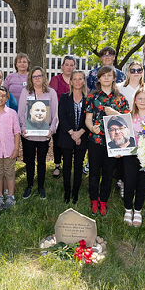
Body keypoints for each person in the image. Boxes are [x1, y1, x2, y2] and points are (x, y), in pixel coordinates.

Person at [84, 65, 130, 216]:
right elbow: (88, 119)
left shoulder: (121, 98)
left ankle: (103, 201)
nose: (106, 78)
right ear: (98, 78)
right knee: (94, 172)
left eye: (109, 75)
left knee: (108, 173)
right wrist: (91, 128)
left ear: (114, 78)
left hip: (114, 143)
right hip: (96, 141)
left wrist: (114, 112)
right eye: (103, 75)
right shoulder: (92, 97)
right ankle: (94, 200)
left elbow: (126, 122)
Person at [17, 66, 59, 199]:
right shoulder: (26, 91)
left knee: (42, 162)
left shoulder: (51, 92)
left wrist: (51, 129)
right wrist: (23, 127)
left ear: (44, 77)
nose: (37, 79)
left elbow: (55, 114)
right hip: (28, 135)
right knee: (29, 162)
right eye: (34, 76)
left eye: (39, 76)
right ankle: (29, 186)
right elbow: (21, 112)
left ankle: (41, 186)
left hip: (44, 136)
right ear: (31, 78)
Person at [122, 87, 145, 227]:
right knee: (129, 182)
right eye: (140, 98)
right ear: (135, 100)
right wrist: (118, 150)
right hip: (130, 156)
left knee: (143, 184)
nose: (143, 101)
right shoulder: (128, 116)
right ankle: (128, 209)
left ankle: (138, 210)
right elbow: (121, 137)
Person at [57, 70, 89, 204]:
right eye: (74, 79)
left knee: (78, 165)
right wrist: (72, 133)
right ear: (70, 82)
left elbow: (90, 119)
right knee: (67, 165)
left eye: (80, 79)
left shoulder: (89, 99)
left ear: (83, 81)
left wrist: (80, 133)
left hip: (83, 136)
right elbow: (62, 116)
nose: (77, 81)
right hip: (66, 136)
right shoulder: (64, 97)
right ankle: (67, 192)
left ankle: (75, 192)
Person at [0, 86, 21, 209]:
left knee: (10, 172)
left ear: (7, 98)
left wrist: (16, 149)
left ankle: (11, 196)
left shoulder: (12, 113)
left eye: (3, 96)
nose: (0, 98)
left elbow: (17, 132)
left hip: (10, 150)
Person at [49, 55, 77, 178]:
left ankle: (69, 164)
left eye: (72, 65)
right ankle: (57, 165)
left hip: (74, 117)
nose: (69, 67)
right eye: (67, 65)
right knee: (58, 142)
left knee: (72, 142)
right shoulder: (56, 80)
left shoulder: (77, 80)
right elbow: (52, 98)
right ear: (62, 66)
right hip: (58, 117)